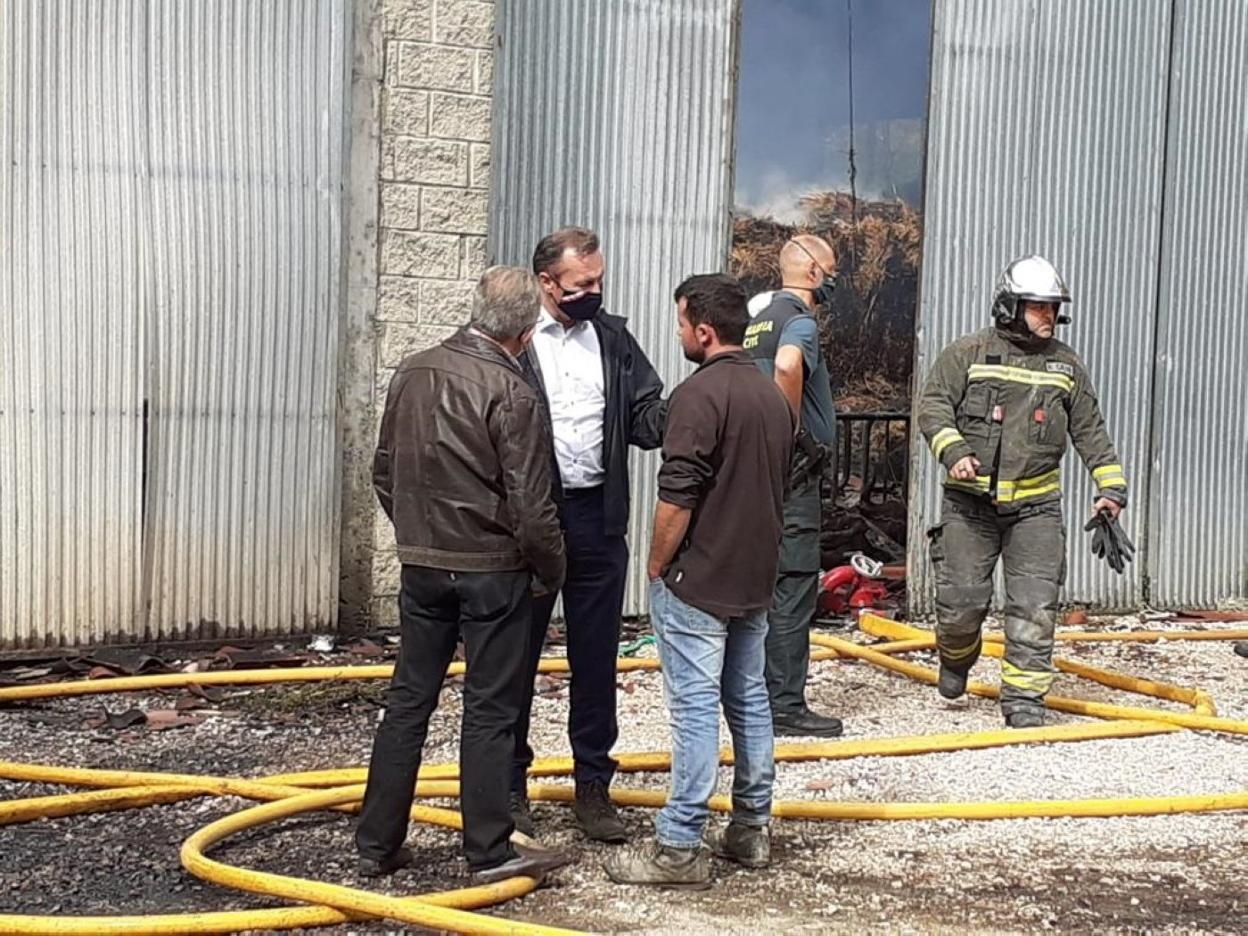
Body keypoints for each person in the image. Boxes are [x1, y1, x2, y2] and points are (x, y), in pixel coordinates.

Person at [356, 266, 572, 884]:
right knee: (490, 709)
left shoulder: (413, 370)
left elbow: (383, 469)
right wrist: (550, 570)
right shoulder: (514, 392)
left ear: (476, 310)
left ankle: (376, 844)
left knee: (407, 702)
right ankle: (489, 850)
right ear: (527, 333)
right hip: (493, 571)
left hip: (425, 566)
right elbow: (532, 506)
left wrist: (418, 536)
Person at [605, 273, 795, 888]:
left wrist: (657, 564)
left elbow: (677, 493)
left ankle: (679, 845)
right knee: (749, 701)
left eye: (682, 322)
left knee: (693, 712)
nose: (680, 331)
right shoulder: (771, 397)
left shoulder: (697, 396)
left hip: (699, 579)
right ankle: (751, 828)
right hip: (754, 577)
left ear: (704, 330)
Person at [917, 255, 1129, 728]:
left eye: (1053, 308)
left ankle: (1024, 699)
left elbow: (1091, 431)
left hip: (1036, 510)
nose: (1048, 317)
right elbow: (932, 407)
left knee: (1035, 605)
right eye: (1038, 307)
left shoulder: (1066, 365)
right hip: (969, 507)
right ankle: (955, 657)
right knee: (961, 606)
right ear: (1010, 306)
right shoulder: (967, 353)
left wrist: (1111, 489)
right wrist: (954, 452)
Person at [510, 226, 667, 843]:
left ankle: (594, 787)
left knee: (596, 658)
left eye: (598, 281)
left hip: (598, 520)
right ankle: (510, 789)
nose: (594, 292)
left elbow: (649, 417)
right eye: (583, 284)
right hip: (531, 523)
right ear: (547, 283)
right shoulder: (516, 343)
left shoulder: (613, 338)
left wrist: (704, 399)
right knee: (514, 658)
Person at [742, 234, 844, 738]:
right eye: (832, 268)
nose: (834, 279)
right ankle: (783, 704)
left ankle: (751, 696)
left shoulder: (756, 320)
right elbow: (787, 366)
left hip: (756, 472)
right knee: (794, 582)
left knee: (761, 581)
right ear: (811, 273)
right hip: (791, 476)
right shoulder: (799, 322)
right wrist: (795, 432)